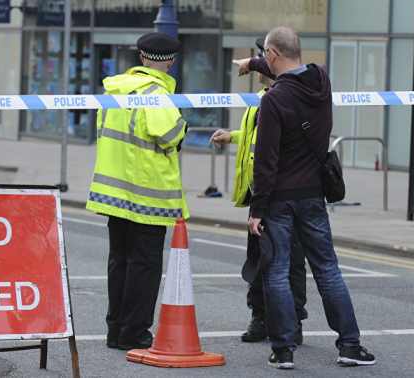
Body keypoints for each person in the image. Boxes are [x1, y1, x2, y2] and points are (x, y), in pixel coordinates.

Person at [236, 26, 375, 369]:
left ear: (272, 55)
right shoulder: (321, 81)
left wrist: (257, 210)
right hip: (314, 195)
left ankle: (283, 351)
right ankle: (350, 345)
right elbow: (284, 67)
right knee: (328, 270)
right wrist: (255, 62)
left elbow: (266, 162)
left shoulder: (273, 100)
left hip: (280, 198)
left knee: (278, 272)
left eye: (266, 56)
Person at [86, 32, 189, 351]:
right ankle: (133, 333)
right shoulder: (156, 93)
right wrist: (184, 125)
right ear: (169, 63)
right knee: (143, 265)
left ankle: (115, 330)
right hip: (147, 196)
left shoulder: (115, 87)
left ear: (141, 58)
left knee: (119, 260)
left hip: (114, 193)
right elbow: (170, 134)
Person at [210, 38, 308, 345]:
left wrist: (251, 63)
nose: (259, 63)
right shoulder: (263, 96)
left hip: (285, 191)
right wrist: (233, 136)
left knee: (289, 260)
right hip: (260, 190)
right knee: (258, 258)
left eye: (261, 57)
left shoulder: (290, 92)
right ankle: (261, 317)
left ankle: (292, 322)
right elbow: (259, 136)